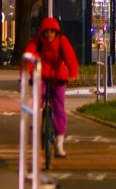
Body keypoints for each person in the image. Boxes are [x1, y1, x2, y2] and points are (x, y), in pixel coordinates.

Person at [24, 17, 79, 159]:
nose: (49, 35)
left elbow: (71, 58)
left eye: (52, 32)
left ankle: (59, 145)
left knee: (59, 108)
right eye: (46, 32)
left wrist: (73, 74)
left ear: (56, 32)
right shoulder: (37, 42)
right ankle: (35, 121)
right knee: (37, 97)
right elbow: (28, 58)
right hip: (41, 76)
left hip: (58, 77)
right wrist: (25, 74)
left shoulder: (62, 41)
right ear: (42, 32)